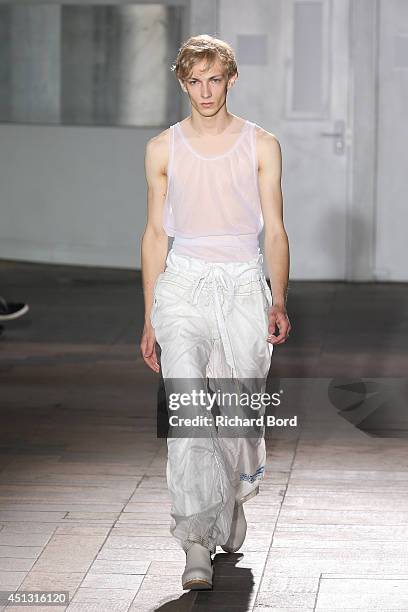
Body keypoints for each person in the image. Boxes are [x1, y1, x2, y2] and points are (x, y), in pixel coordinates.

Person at [140, 34, 291, 591]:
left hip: (242, 285)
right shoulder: (162, 148)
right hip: (182, 284)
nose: (205, 91)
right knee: (188, 410)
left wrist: (278, 297)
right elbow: (155, 235)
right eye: (194, 81)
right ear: (183, 83)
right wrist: (150, 315)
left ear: (230, 79)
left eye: (214, 79)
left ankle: (227, 499)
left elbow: (274, 229)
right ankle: (196, 542)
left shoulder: (261, 145)